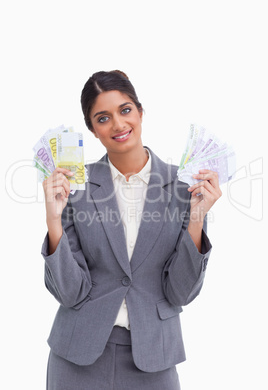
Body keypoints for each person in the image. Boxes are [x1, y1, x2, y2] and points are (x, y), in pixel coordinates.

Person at [42, 70, 222, 390]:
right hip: (77, 357)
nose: (118, 125)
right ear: (93, 130)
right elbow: (71, 292)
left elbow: (181, 292)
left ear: (140, 111)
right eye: (103, 118)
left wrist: (196, 218)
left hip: (154, 357)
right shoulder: (76, 187)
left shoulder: (184, 187)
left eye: (125, 110)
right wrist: (53, 221)